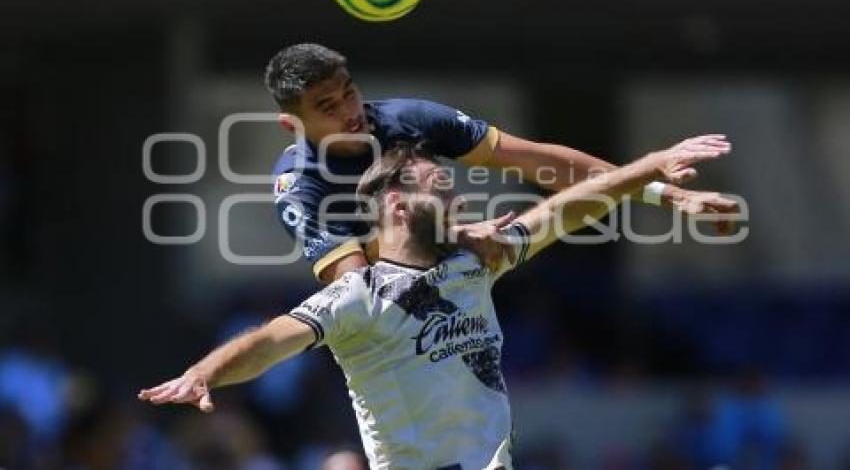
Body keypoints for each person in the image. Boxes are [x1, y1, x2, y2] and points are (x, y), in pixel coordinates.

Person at [140, 134, 731, 469]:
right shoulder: (356, 298)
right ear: (397, 205)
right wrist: (206, 372)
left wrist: (649, 175)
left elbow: (570, 207)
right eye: (441, 190)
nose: (459, 204)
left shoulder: (477, 263)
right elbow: (270, 340)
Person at [266, 43, 736, 283]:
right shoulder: (298, 187)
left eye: (349, 91)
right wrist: (454, 235)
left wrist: (665, 194)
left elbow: (536, 161)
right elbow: (354, 289)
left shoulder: (407, 118)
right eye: (328, 106)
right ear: (293, 125)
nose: (350, 111)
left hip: (465, 291)